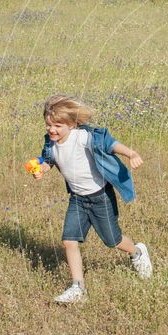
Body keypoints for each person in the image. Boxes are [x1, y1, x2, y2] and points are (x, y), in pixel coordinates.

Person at [33, 95, 152, 303]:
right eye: (48, 125)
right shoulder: (50, 143)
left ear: (71, 124)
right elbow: (48, 160)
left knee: (112, 240)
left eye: (58, 126)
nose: (52, 130)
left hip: (100, 198)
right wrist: (41, 169)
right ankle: (78, 288)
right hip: (77, 199)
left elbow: (110, 144)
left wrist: (131, 153)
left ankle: (137, 252)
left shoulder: (84, 137)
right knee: (69, 241)